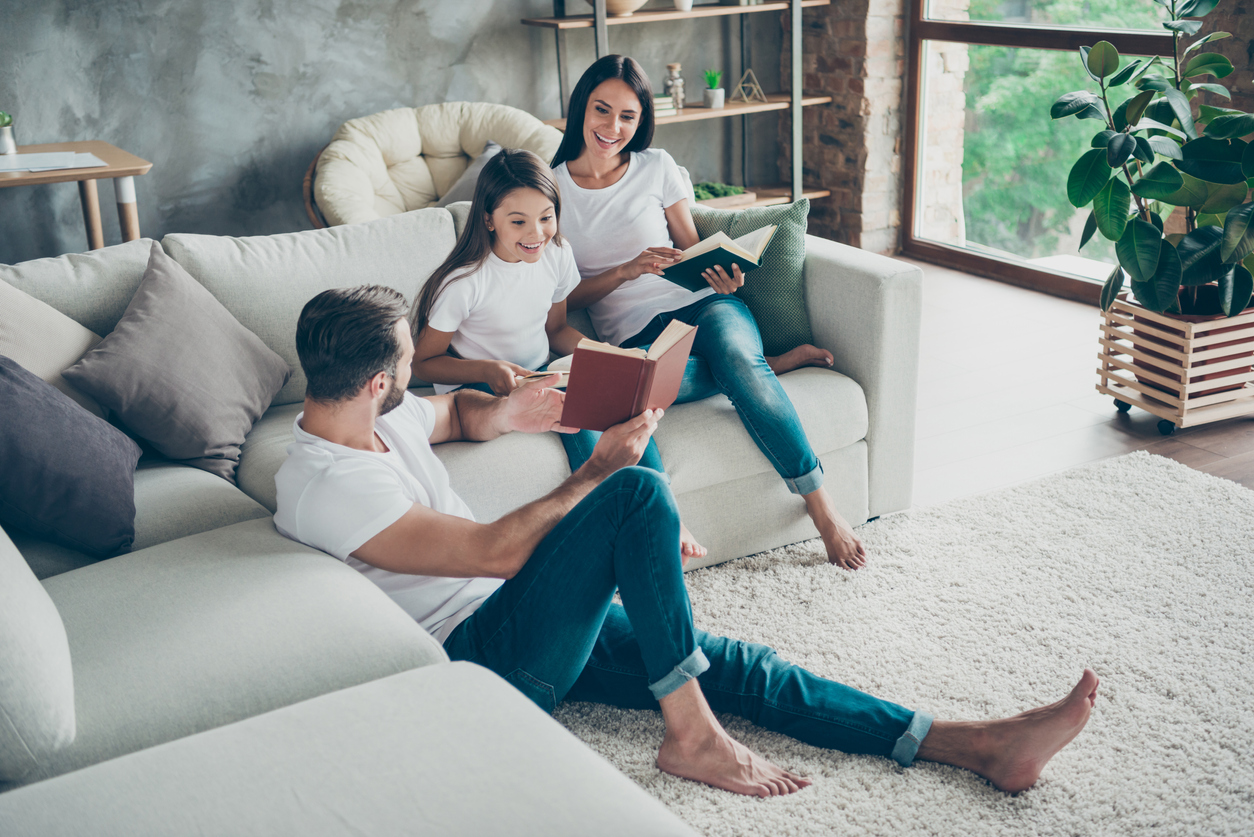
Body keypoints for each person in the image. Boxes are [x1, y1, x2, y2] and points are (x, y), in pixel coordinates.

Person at [274, 285, 1100, 799]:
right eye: (406, 373)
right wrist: (594, 471)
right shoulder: (327, 488)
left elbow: (449, 412)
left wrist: (506, 412)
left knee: (733, 663)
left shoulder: (373, 415)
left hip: (524, 615)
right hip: (484, 657)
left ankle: (972, 742)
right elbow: (491, 551)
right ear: (379, 382)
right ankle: (692, 736)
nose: (417, 384)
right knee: (633, 490)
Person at [551, 54, 868, 570]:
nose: (612, 128)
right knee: (646, 390)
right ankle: (770, 365)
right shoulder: (554, 189)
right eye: (601, 110)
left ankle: (821, 506)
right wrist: (625, 272)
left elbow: (692, 252)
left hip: (703, 307)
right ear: (580, 108)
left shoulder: (655, 167)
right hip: (636, 336)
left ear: (641, 121)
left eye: (627, 117)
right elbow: (564, 302)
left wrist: (721, 276)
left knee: (735, 353)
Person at [408, 148, 705, 560]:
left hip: (541, 370)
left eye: (546, 217)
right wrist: (488, 368)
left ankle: (665, 505)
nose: (536, 233)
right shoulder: (464, 282)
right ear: (488, 219)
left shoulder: (557, 255)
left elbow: (556, 330)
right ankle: (646, 524)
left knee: (629, 399)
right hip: (480, 386)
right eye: (518, 221)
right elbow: (422, 362)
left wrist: (607, 356)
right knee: (580, 416)